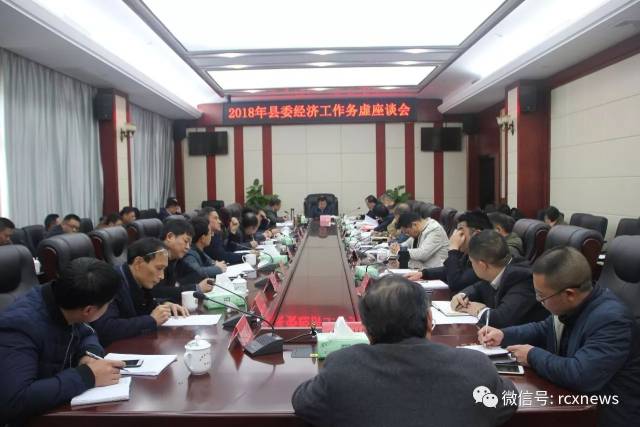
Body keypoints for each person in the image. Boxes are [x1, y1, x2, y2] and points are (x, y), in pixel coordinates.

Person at [292, 275, 517, 427]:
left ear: (367, 330)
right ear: (429, 320)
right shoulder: (475, 366)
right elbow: (510, 399)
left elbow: (303, 402)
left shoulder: (342, 367)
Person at [479, 247, 640, 427]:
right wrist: (503, 334)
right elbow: (543, 329)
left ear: (569, 294)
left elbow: (581, 375)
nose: (538, 300)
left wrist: (531, 355)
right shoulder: (572, 306)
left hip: (603, 414)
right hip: (572, 401)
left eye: (541, 296)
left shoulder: (612, 320)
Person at [0, 258, 125, 424]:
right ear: (89, 310)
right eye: (108, 303)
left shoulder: (65, 301)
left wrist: (89, 355)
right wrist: (88, 375)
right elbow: (14, 401)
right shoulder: (18, 328)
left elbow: (87, 333)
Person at [91, 238, 189, 347]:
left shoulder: (139, 281)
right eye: (159, 268)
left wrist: (164, 305)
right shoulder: (110, 282)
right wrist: (151, 320)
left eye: (163, 270)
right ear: (138, 263)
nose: (162, 276)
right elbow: (106, 328)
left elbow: (146, 305)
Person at [450, 230, 548, 327]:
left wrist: (479, 310)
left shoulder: (523, 279)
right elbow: (478, 288)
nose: (471, 265)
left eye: (471, 262)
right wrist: (463, 295)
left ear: (482, 265)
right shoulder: (498, 270)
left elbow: (502, 319)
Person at [406, 210, 492, 293]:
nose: (455, 236)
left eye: (461, 232)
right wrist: (423, 273)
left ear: (476, 234)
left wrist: (453, 249)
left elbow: (455, 283)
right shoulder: (468, 254)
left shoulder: (485, 257)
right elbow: (448, 270)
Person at [151, 219, 212, 303]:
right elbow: (157, 292)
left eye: (189, 244)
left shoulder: (176, 259)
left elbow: (196, 275)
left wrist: (178, 285)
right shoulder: (154, 257)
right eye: (186, 241)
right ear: (170, 237)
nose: (188, 247)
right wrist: (195, 288)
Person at [179, 217, 227, 283]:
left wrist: (215, 264)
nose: (212, 235)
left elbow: (211, 262)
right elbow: (197, 272)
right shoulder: (189, 254)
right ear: (203, 238)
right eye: (210, 233)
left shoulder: (199, 250)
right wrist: (218, 269)